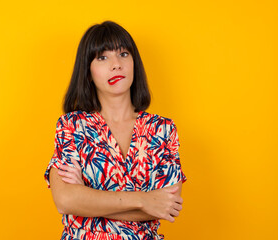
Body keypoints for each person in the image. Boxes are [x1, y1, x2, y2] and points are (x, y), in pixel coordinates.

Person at [44, 21, 187, 240]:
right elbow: (65, 201)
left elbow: (168, 206)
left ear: (134, 63)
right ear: (88, 71)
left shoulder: (162, 129)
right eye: (102, 57)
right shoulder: (72, 126)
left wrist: (88, 199)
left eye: (123, 54)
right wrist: (143, 200)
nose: (116, 65)